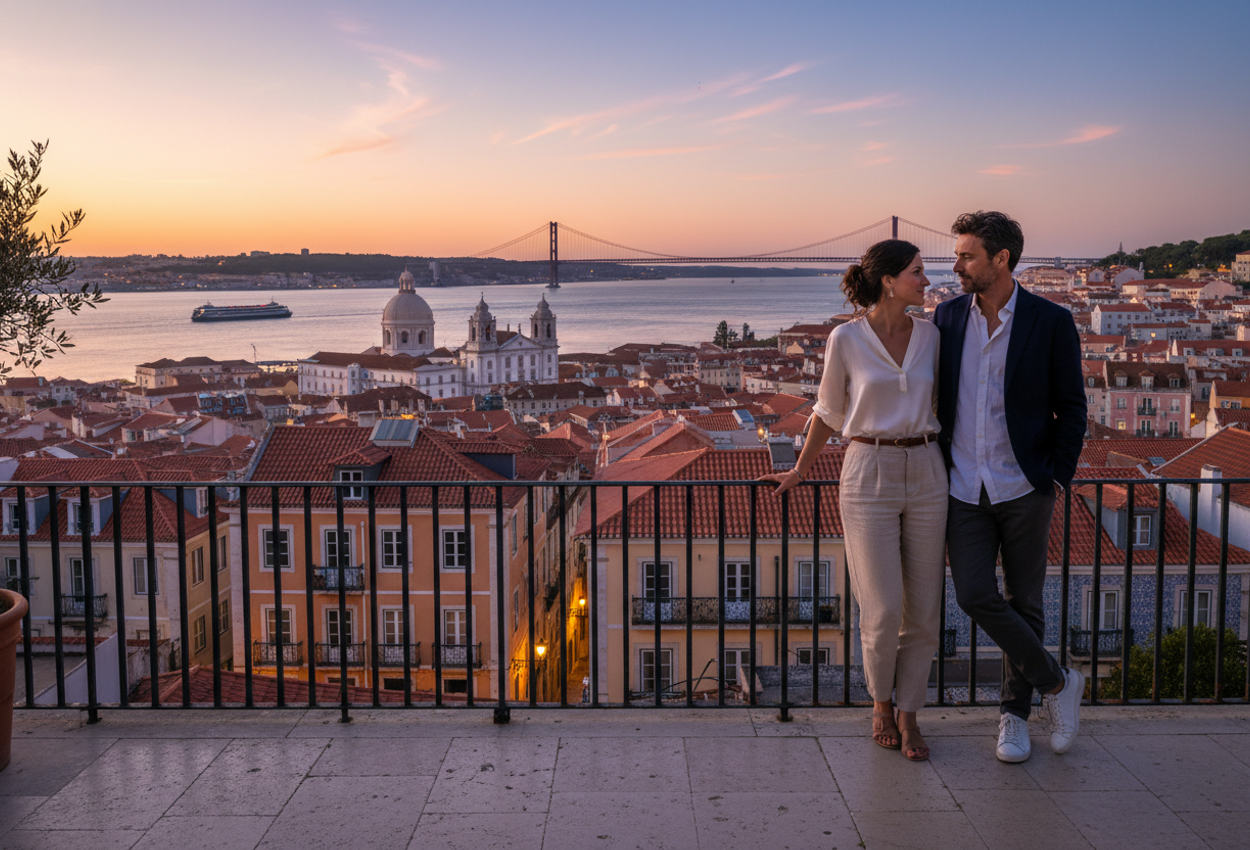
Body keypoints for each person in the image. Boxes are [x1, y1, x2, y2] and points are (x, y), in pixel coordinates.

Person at [763, 239, 946, 762]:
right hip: (867, 469)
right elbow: (827, 409)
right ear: (889, 280)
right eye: (918, 272)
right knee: (884, 607)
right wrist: (801, 469)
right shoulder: (845, 338)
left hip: (929, 468)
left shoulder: (933, 336)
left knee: (925, 611)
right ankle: (881, 703)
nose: (926, 281)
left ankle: (910, 715)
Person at [934, 210, 1087, 763]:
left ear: (1001, 259)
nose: (955, 265)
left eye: (966, 255)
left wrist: (1054, 477)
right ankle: (1058, 683)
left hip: (1024, 484)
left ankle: (1014, 717)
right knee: (974, 593)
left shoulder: (1051, 321)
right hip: (963, 486)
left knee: (1026, 601)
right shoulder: (948, 317)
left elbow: (1071, 408)